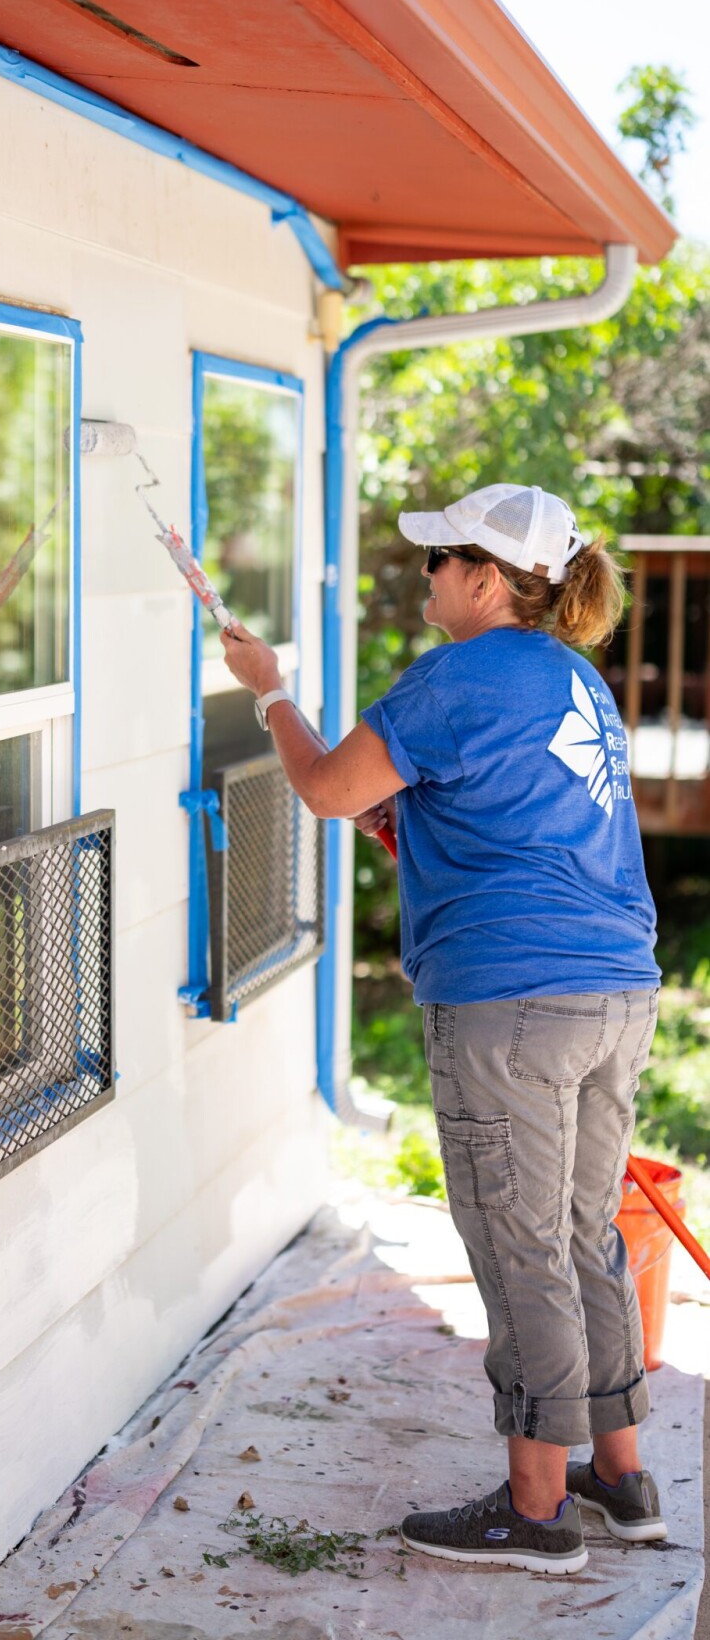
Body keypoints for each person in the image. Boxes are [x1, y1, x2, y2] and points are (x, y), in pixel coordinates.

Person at [222, 481, 663, 1576]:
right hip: (611, 991)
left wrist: (270, 694)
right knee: (576, 1233)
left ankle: (534, 1509)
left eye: (436, 561)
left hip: (509, 1003)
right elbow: (484, 814)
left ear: (481, 577)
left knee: (519, 1249)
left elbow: (326, 788)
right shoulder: (573, 680)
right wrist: (408, 826)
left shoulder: (458, 674)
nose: (422, 576)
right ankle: (619, 1475)